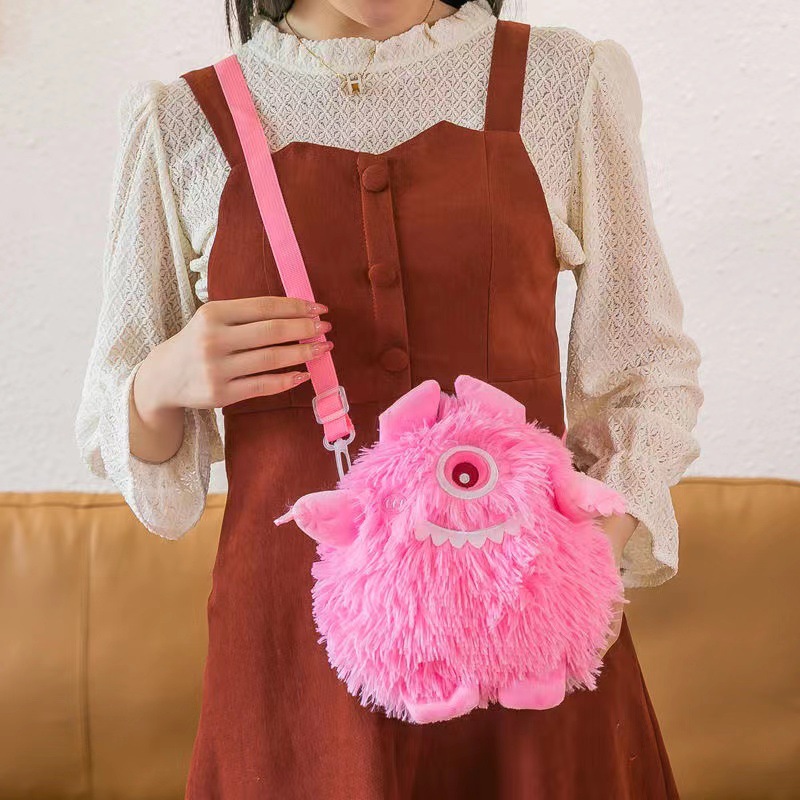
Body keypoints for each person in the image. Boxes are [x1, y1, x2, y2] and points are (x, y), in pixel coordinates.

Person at [75, 0, 703, 796]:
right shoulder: (180, 122)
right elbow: (127, 440)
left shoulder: (562, 81)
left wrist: (583, 563)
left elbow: (646, 366)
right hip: (292, 653)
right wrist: (160, 382)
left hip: (524, 626)